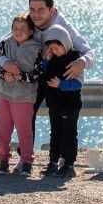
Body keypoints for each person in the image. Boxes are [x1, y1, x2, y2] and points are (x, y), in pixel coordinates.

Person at [3, 0, 97, 161]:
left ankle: (63, 160)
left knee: (62, 123)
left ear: (51, 11)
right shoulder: (27, 23)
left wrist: (81, 62)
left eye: (41, 10)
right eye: (32, 9)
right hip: (34, 80)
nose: (35, 14)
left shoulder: (64, 27)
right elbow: (4, 45)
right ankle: (25, 159)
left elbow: (90, 53)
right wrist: (5, 64)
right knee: (26, 116)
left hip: (58, 82)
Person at [0, 13, 41, 177]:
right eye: (15, 28)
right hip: (4, 94)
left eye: (23, 29)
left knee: (24, 132)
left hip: (25, 97)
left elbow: (39, 74)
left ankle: (27, 163)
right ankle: (3, 161)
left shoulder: (37, 48)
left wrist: (21, 76)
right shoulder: (5, 43)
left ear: (31, 31)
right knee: (3, 131)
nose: (18, 31)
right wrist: (4, 74)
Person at [39, 25, 84, 177]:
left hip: (69, 104)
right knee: (55, 133)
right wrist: (47, 60)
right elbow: (45, 73)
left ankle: (68, 164)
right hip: (54, 104)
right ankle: (53, 162)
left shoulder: (74, 59)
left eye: (56, 48)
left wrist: (61, 85)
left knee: (69, 133)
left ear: (64, 44)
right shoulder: (52, 59)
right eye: (51, 48)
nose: (54, 51)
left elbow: (78, 83)